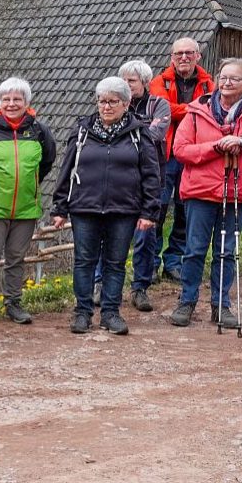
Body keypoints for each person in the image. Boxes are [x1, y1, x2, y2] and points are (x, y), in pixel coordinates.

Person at [50, 77, 160, 335]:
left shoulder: (139, 133)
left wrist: (149, 211)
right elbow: (66, 170)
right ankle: (82, 312)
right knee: (84, 261)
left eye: (113, 101)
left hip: (123, 210)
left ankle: (111, 313)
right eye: (102, 101)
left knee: (115, 262)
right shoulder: (81, 131)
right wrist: (59, 207)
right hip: (84, 208)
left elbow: (152, 175)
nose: (106, 106)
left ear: (126, 103)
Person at [169, 59, 242, 328]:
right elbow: (180, 150)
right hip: (200, 191)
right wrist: (215, 147)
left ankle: (222, 306)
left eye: (234, 78)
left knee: (227, 251)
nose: (226, 82)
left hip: (237, 191)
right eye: (223, 77)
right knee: (194, 249)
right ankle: (187, 301)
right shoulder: (197, 112)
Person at [0, 77, 57, 327]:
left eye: (17, 99)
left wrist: (30, 183)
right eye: (6, 99)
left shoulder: (39, 131)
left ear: (27, 102)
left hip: (26, 207)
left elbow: (47, 161)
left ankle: (13, 303)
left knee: (17, 257)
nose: (11, 103)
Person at [149, 38, 214, 282]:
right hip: (165, 156)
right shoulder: (159, 82)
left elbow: (212, 111)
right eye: (179, 54)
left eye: (189, 53)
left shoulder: (209, 83)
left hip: (195, 155)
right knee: (158, 208)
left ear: (198, 55)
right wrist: (196, 108)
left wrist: (182, 109)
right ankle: (151, 263)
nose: (183, 57)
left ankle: (174, 261)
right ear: (172, 57)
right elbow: (164, 110)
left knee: (185, 211)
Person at [119, 60, 171, 312]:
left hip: (151, 181)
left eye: (132, 81)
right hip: (120, 182)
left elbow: (154, 136)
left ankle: (140, 287)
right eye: (124, 80)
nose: (127, 85)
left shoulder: (159, 104)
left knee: (145, 237)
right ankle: (104, 284)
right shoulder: (116, 104)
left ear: (144, 82)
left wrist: (126, 133)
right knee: (111, 237)